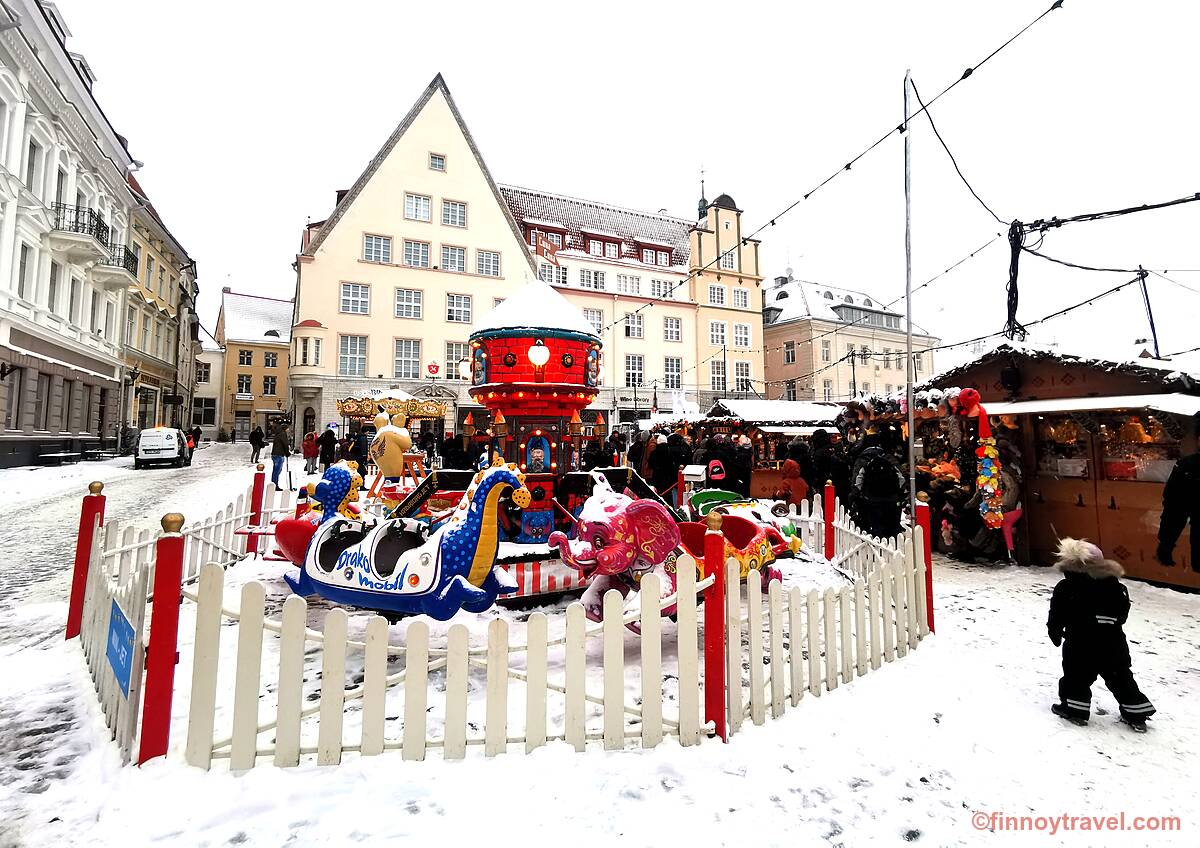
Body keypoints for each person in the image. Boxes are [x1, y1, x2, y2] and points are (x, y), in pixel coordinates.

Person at [1047, 538, 1155, 731]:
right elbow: (1122, 612)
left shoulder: (1066, 587)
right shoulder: (1114, 586)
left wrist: (1054, 629)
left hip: (1080, 643)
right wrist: (1108, 622)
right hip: (1112, 643)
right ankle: (1136, 713)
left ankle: (1075, 710)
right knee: (1120, 677)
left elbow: (1057, 612)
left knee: (1076, 677)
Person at [850, 435, 905, 539]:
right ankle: (892, 547)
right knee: (891, 527)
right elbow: (901, 479)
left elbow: (857, 482)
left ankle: (876, 548)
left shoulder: (863, 459)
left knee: (875, 526)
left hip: (871, 499)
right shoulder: (889, 458)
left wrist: (855, 497)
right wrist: (898, 493)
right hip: (891, 499)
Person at [1156, 449, 1200, 569]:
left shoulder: (1189, 466)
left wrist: (1166, 542)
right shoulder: (1189, 466)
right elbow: (1175, 508)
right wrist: (1166, 542)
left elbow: (1175, 508)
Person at [270, 422, 290, 489]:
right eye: (287, 428)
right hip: (279, 454)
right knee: (277, 470)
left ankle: (273, 484)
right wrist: (287, 453)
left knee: (275, 470)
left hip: (275, 454)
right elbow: (285, 444)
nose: (288, 429)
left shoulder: (278, 434)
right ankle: (275, 485)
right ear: (285, 429)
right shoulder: (283, 434)